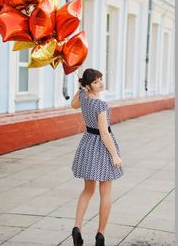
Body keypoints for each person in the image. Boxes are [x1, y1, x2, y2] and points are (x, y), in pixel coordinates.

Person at [70, 68, 124, 246]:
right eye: (95, 81)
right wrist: (115, 155)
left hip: (87, 144)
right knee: (105, 191)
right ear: (88, 85)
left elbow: (73, 105)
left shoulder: (84, 98)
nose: (100, 83)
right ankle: (100, 235)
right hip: (101, 146)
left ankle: (77, 227)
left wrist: (81, 89)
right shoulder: (101, 105)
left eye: (101, 79)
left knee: (87, 190)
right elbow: (104, 133)